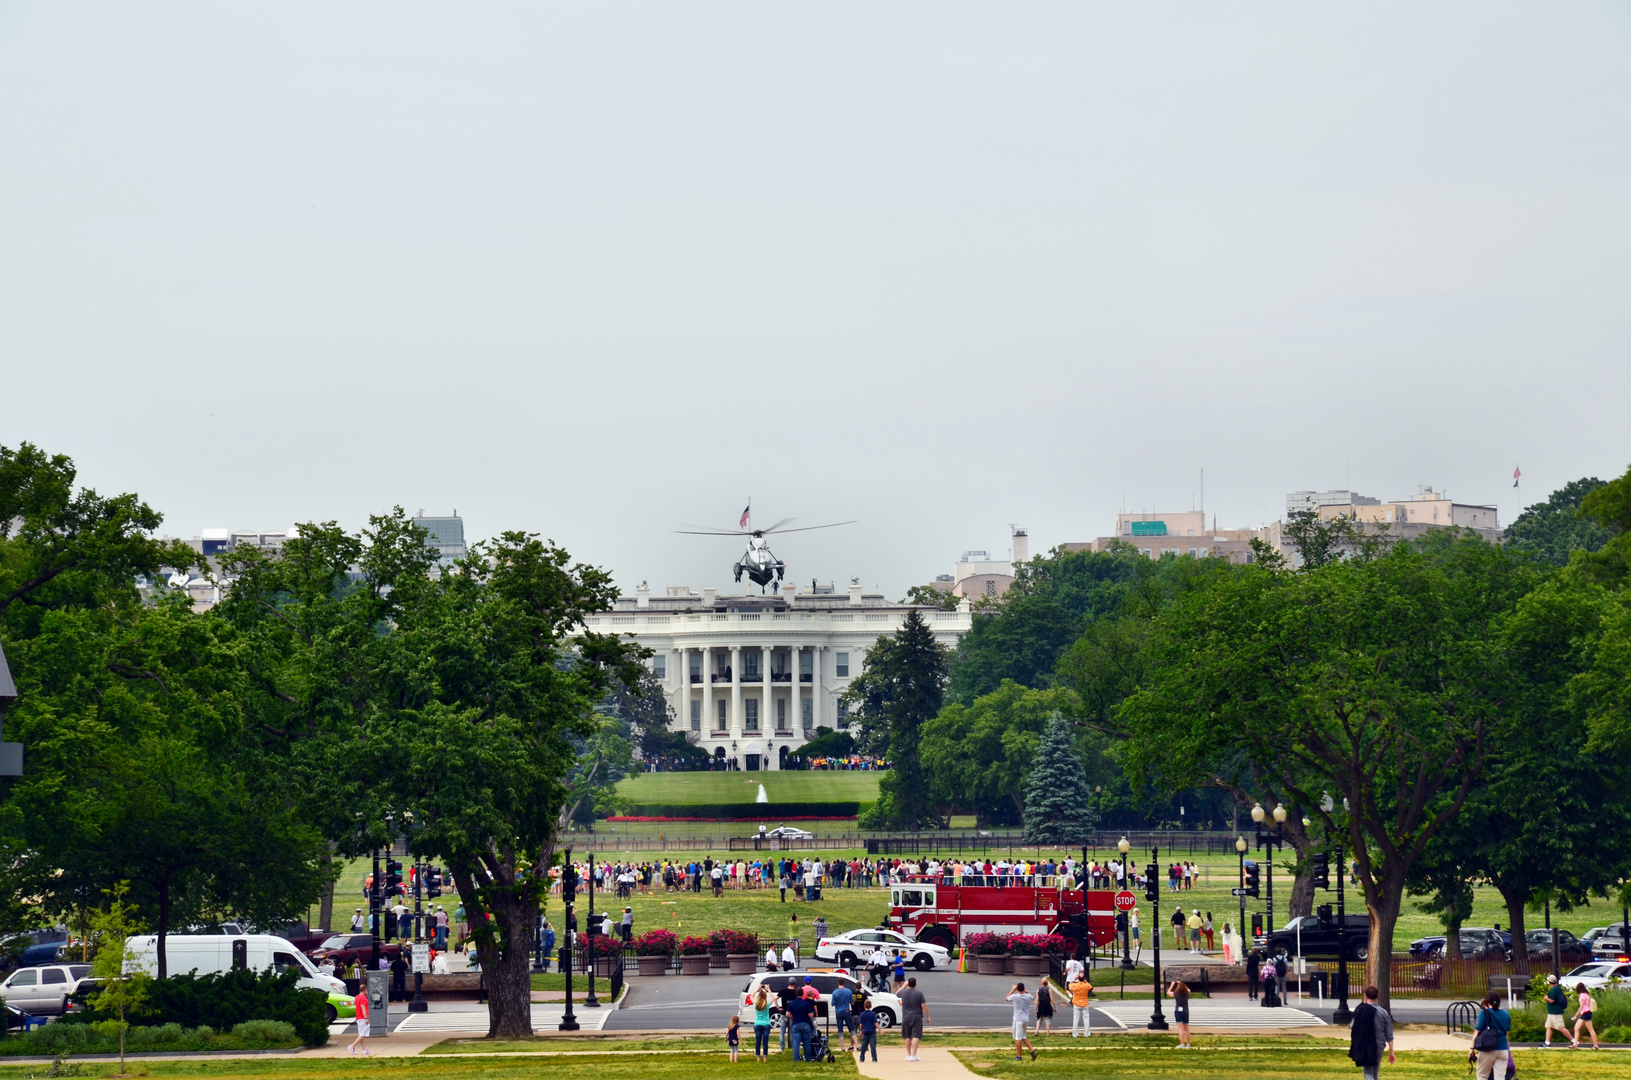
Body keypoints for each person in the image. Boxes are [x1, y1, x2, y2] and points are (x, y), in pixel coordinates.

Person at [1348, 984, 1395, 1080]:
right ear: (1377, 996)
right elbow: (1389, 1034)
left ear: (1365, 996)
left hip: (1366, 1045)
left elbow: (1352, 1026)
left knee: (1368, 1072)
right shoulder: (1384, 1013)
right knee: (1375, 1071)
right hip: (1380, 1045)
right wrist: (1391, 1051)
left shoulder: (1361, 1010)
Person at [1473, 993, 1511, 1080]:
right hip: (1502, 1049)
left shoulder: (1484, 1013)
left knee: (1482, 1075)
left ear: (1487, 1001)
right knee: (1500, 1077)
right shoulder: (1506, 1014)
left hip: (1488, 1048)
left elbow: (1477, 1032)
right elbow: (1506, 1034)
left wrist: (1472, 1049)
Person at [899, 976, 928, 1061]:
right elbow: (924, 1006)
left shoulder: (903, 992)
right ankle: (914, 1054)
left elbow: (896, 993)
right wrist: (928, 1016)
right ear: (915, 984)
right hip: (916, 1016)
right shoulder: (919, 993)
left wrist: (904, 986)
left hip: (906, 1016)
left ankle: (908, 1055)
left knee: (907, 1035)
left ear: (908, 984)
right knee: (916, 1035)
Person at [1007, 982, 1037, 1062]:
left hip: (1018, 1020)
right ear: (1023, 989)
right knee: (1023, 1036)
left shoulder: (1015, 996)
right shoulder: (1027, 996)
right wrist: (1025, 991)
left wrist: (1012, 990)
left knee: (1018, 1038)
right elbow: (1032, 997)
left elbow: (1007, 998)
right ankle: (1032, 1050)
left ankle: (1019, 1056)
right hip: (1025, 1019)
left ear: (1017, 989)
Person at [786, 984, 816, 1061]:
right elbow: (810, 1015)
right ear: (803, 994)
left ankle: (796, 1059)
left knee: (796, 1042)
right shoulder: (806, 1003)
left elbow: (787, 1014)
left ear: (795, 994)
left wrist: (793, 1017)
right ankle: (808, 1058)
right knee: (806, 1042)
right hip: (805, 1024)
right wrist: (813, 1013)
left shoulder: (792, 1003)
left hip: (796, 1024)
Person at [1542, 974, 1568, 1046]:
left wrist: (1546, 998)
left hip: (1555, 1012)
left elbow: (1552, 1000)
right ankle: (1547, 1042)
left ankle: (1573, 1040)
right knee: (1548, 1026)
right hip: (1551, 1012)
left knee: (1560, 1027)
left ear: (1549, 982)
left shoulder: (1554, 990)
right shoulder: (1558, 988)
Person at [348, 982, 372, 1056]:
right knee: (363, 1034)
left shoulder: (357, 997)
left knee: (361, 1034)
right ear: (365, 990)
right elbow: (363, 1009)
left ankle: (364, 1049)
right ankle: (352, 1046)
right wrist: (366, 1018)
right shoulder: (363, 998)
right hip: (362, 1018)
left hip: (358, 1017)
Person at [1571, 983, 1598, 1050]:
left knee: (1590, 1029)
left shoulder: (1582, 996)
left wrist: (1576, 1015)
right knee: (1576, 1028)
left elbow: (1581, 1006)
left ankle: (1595, 1045)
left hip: (1585, 1013)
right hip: (1587, 1013)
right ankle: (1575, 1044)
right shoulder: (1587, 995)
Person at [832, 978, 855, 1051]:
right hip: (846, 1011)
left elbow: (832, 1003)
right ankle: (857, 1045)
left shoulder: (835, 992)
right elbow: (852, 1001)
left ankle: (842, 1047)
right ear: (844, 983)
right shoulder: (848, 991)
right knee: (851, 1028)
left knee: (840, 1030)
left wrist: (837, 1002)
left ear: (838, 983)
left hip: (838, 1012)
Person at [1168, 979, 1192, 1049]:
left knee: (1180, 1029)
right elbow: (1189, 990)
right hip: (1186, 1011)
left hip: (1178, 1012)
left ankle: (1182, 1044)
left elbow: (1168, 992)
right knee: (1186, 1029)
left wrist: (1172, 985)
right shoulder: (1187, 994)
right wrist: (1181, 983)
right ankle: (1188, 1044)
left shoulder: (1176, 994)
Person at [751, 987, 773, 1062]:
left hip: (757, 1024)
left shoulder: (756, 1003)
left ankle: (758, 1058)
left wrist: (757, 989)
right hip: (766, 1024)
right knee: (765, 1042)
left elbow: (751, 996)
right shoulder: (767, 1004)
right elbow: (773, 998)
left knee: (758, 1041)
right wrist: (769, 990)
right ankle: (765, 1058)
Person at [1069, 972, 1093, 1037]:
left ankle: (1075, 1033)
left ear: (1078, 978)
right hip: (1085, 1004)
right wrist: (1085, 980)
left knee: (1076, 1019)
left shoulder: (1075, 985)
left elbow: (1069, 986)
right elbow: (1090, 987)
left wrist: (1074, 979)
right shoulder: (1086, 985)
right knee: (1086, 1019)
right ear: (1084, 978)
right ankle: (1087, 1033)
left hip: (1076, 1004)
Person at [777, 979, 798, 1051]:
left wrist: (778, 1007)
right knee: (791, 1031)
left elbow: (775, 998)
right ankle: (791, 1047)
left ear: (788, 982)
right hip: (792, 1014)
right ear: (795, 983)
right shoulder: (796, 992)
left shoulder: (783, 991)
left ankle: (782, 1047)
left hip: (783, 1013)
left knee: (782, 1031)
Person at [857, 996, 879, 1062]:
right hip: (872, 1031)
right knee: (873, 1045)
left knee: (863, 1045)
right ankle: (874, 1058)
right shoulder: (873, 1014)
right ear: (871, 1006)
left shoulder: (862, 1014)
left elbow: (861, 1024)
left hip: (865, 1030)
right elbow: (876, 1023)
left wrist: (861, 1031)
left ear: (864, 1006)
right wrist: (880, 1030)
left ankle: (862, 1058)